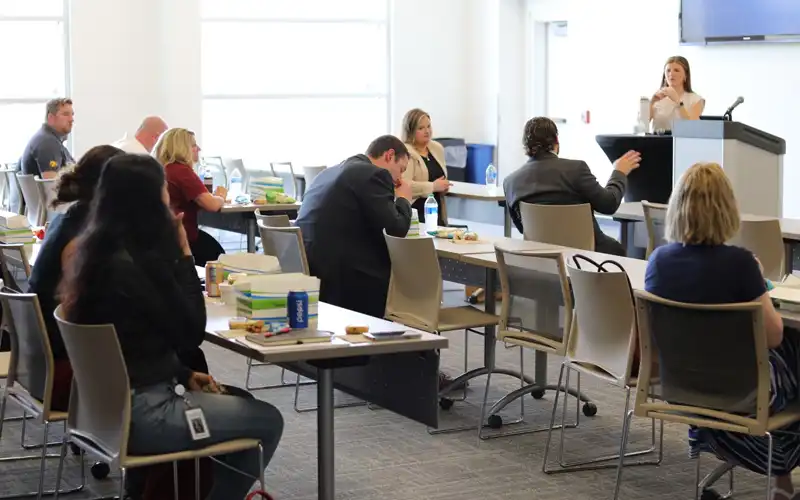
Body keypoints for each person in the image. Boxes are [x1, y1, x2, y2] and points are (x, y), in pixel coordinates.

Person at [58, 154, 283, 500]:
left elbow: (135, 343)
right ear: (148, 200)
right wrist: (183, 254)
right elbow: (191, 333)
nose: (169, 197)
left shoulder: (97, 254)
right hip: (146, 415)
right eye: (163, 189)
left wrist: (180, 373)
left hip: (104, 411)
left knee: (241, 402)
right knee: (267, 420)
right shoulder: (134, 267)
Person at [645, 162, 797, 500]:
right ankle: (780, 475)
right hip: (743, 394)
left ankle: (769, 473)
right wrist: (757, 280)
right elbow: (773, 337)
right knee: (794, 354)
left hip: (680, 388)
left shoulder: (658, 261)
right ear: (727, 209)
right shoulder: (741, 264)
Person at [27, 144, 124, 410]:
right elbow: (88, 312)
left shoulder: (67, 219)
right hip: (64, 372)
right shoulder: (83, 238)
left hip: (38, 364)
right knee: (169, 359)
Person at [295, 135, 412, 318]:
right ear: (389, 155)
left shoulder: (330, 172)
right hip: (343, 274)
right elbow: (397, 229)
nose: (400, 178)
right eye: (401, 169)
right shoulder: (374, 174)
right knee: (402, 274)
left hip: (310, 265)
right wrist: (404, 199)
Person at [503, 117, 640, 256]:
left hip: (540, 257)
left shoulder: (510, 183)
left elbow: (523, 228)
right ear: (556, 141)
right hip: (587, 258)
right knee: (616, 249)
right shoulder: (576, 169)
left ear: (526, 146)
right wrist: (619, 172)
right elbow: (609, 204)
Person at [153, 128, 227, 266]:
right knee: (220, 261)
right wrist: (221, 196)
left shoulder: (161, 169)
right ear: (183, 148)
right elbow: (212, 205)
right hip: (182, 236)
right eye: (193, 145)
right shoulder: (181, 171)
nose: (198, 148)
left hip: (161, 235)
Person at [401, 108, 451, 226]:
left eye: (428, 126)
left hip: (437, 209)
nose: (427, 131)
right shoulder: (405, 152)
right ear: (410, 131)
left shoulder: (437, 148)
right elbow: (403, 185)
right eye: (421, 128)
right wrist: (432, 186)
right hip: (416, 212)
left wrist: (444, 186)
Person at [18, 98, 75, 179]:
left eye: (72, 115)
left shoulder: (47, 138)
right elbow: (51, 185)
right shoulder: (47, 143)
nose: (71, 119)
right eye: (66, 114)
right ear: (51, 118)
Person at [650, 56, 705, 132]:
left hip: (684, 142)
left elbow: (693, 126)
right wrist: (650, 103)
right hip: (657, 142)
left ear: (685, 75)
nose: (671, 73)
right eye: (668, 70)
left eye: (676, 70)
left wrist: (678, 102)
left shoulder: (697, 100)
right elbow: (641, 126)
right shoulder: (658, 98)